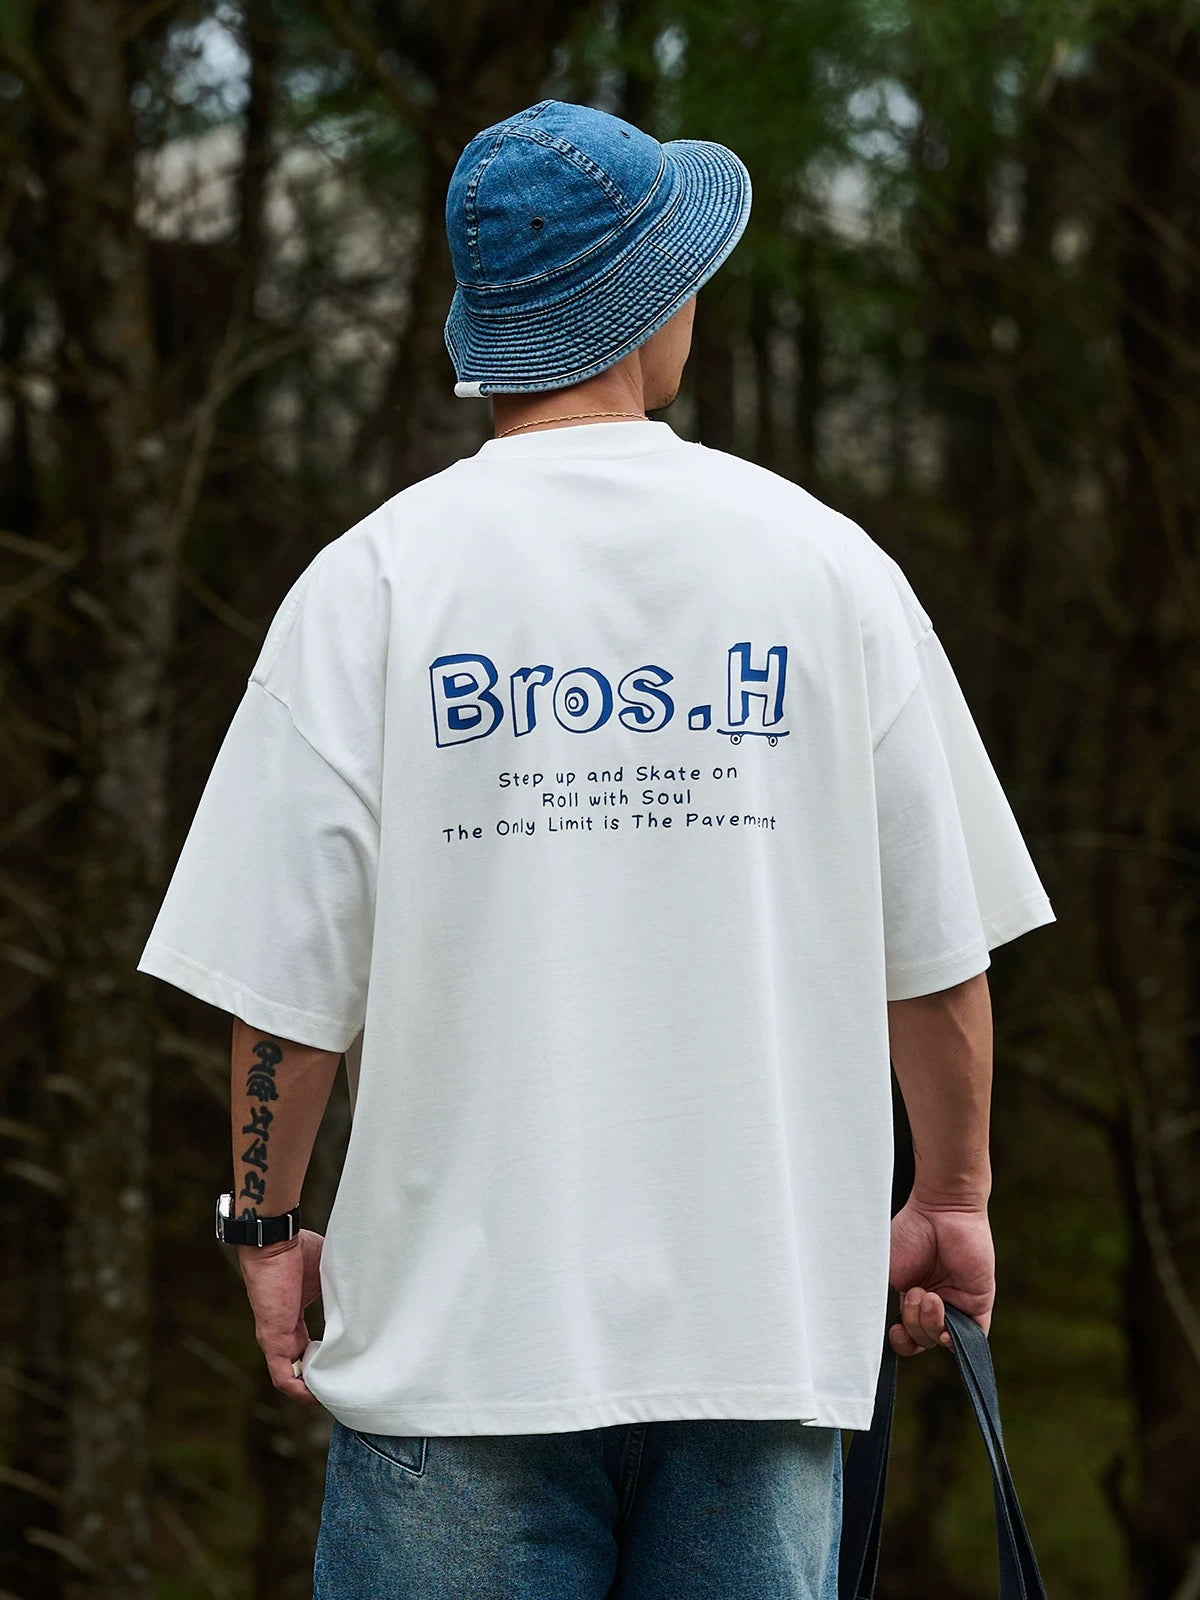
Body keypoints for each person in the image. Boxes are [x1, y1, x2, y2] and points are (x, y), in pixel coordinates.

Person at [137, 99, 1055, 1600]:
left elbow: (287, 990)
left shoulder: (371, 584)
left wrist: (267, 1220)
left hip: (457, 1363)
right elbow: (937, 960)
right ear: (650, 309)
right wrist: (951, 1197)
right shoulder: (829, 568)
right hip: (759, 1348)